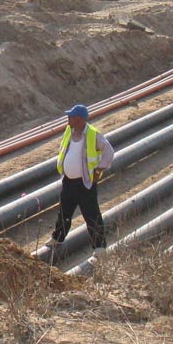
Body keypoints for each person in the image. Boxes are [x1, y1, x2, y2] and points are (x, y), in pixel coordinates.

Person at [45, 104, 115, 255]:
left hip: (85, 183)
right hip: (68, 181)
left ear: (80, 119)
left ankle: (99, 247)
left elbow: (109, 151)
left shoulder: (92, 134)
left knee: (91, 215)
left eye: (71, 116)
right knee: (64, 212)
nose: (68, 118)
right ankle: (57, 238)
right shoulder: (69, 131)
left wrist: (100, 168)